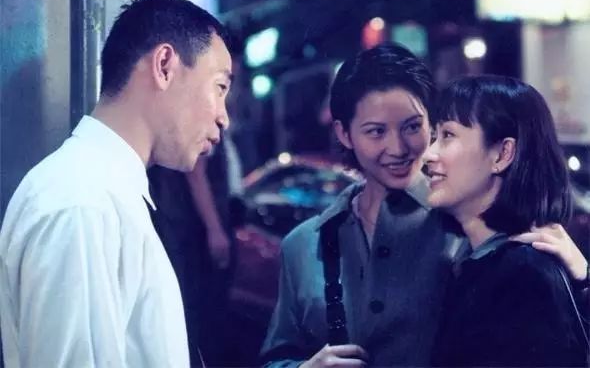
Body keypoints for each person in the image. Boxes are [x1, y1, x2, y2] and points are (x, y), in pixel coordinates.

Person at [260, 44, 587, 367]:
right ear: (344, 134)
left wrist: (584, 279)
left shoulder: (470, 227)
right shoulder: (304, 244)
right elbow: (276, 356)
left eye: (413, 127)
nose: (398, 148)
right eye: (376, 132)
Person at [0, 0, 232, 367]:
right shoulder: (82, 203)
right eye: (220, 87)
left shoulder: (103, 193)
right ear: (165, 65)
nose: (224, 117)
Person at [425, 75, 588, 366]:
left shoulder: (524, 275)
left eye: (448, 135)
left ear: (502, 154)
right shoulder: (477, 260)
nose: (429, 153)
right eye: (434, 136)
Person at [147, 132, 242, 367]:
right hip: (194, 236)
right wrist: (214, 228)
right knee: (205, 317)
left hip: (196, 230)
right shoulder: (202, 126)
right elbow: (196, 173)